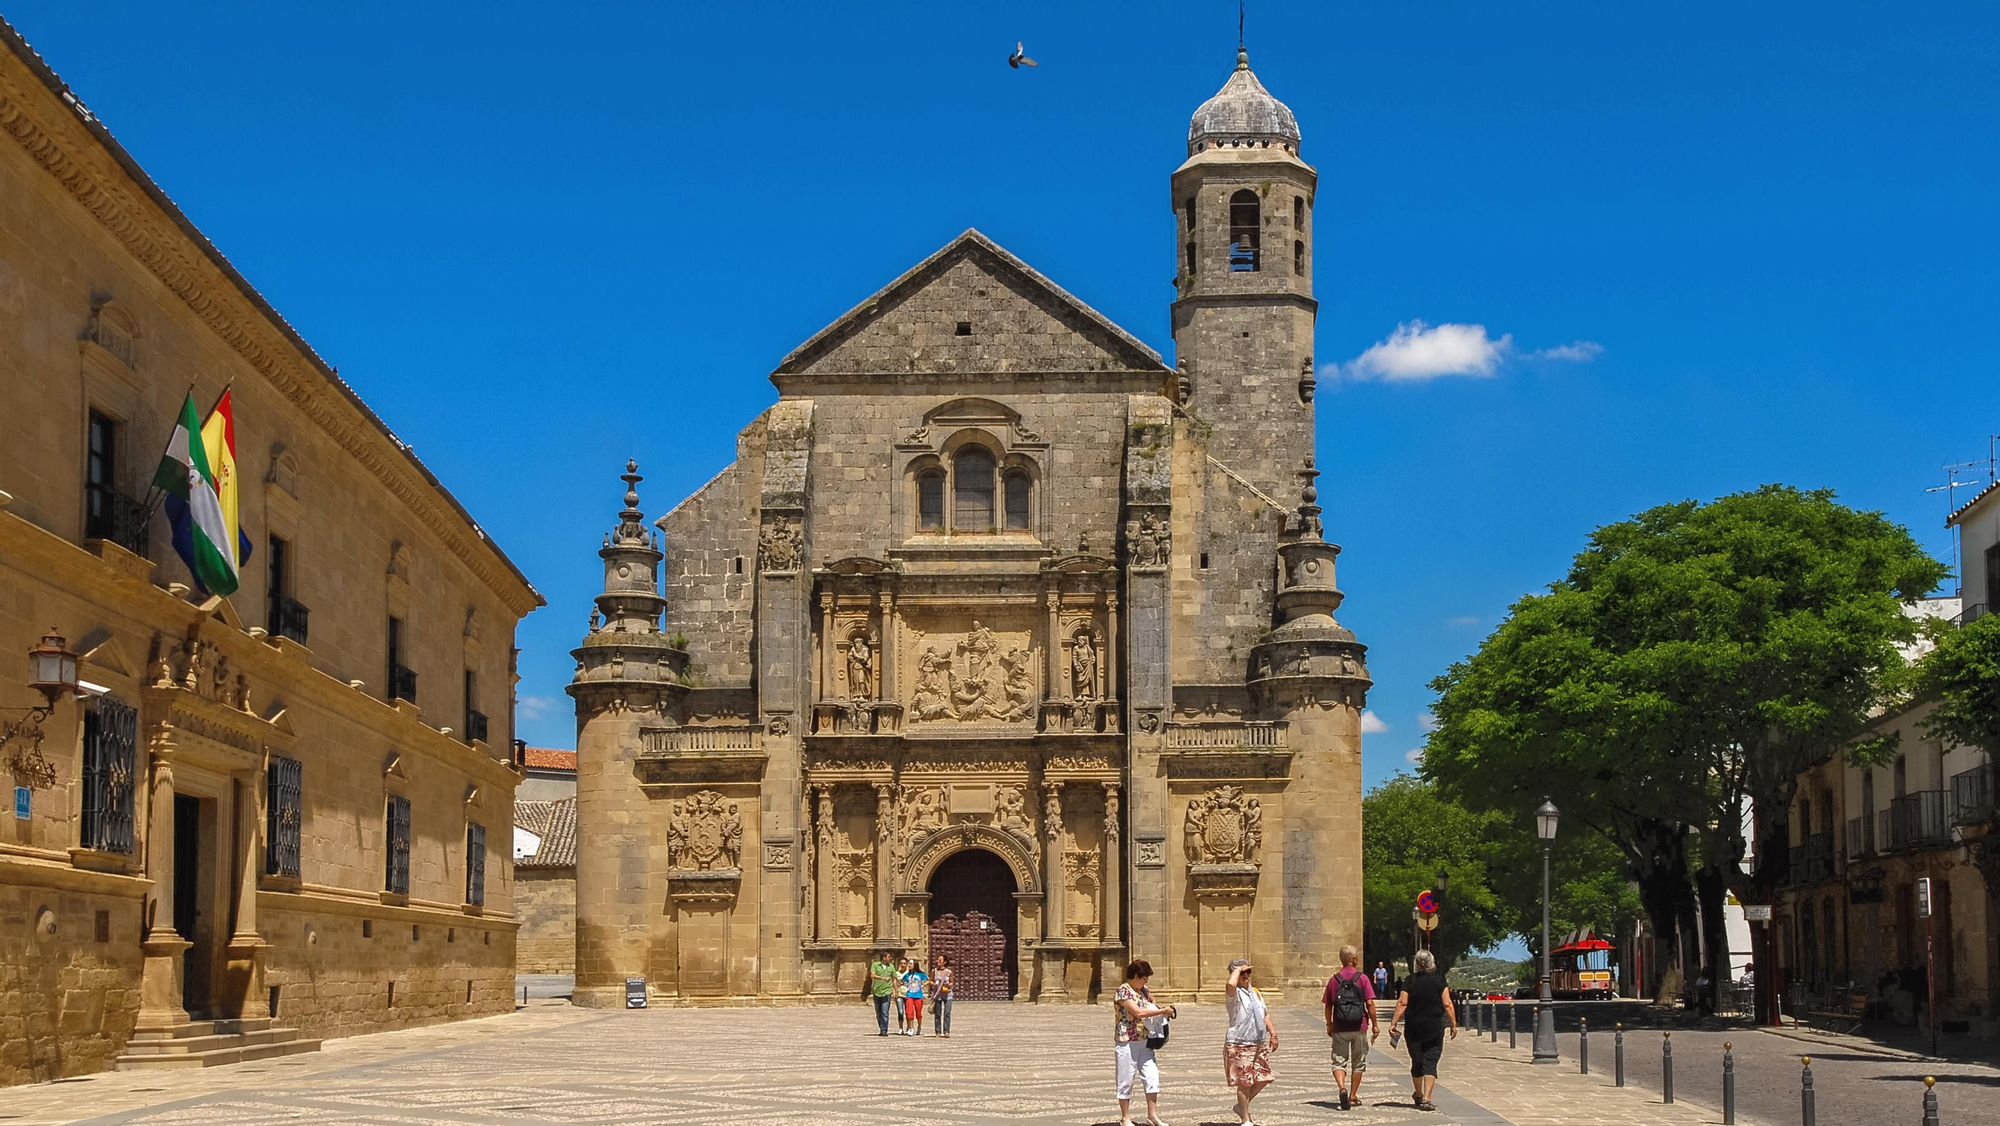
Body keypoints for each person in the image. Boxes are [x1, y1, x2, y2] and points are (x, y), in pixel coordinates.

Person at [1386, 949, 1456, 1111]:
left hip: (1414, 1028)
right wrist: (1453, 1023)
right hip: (1434, 1027)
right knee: (1431, 1061)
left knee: (1417, 1061)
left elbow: (1402, 1003)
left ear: (1416, 964)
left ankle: (1418, 1093)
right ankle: (1427, 1098)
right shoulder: (1439, 981)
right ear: (1432, 963)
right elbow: (1447, 1004)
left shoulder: (1410, 981)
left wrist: (1393, 1023)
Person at [1114, 958, 1178, 1126]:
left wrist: (1160, 1011)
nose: (1146, 981)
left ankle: (1152, 1115)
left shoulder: (1144, 991)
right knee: (1126, 1078)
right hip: (1127, 1040)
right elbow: (1138, 1013)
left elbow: (1151, 1005)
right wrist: (1162, 1010)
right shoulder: (1123, 991)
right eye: (1144, 978)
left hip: (1145, 1040)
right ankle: (1125, 1117)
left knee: (1152, 1077)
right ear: (1136, 976)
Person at [1324, 944, 1379, 1110]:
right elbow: (1369, 1003)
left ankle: (1342, 1088)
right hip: (1359, 1025)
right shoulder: (1362, 978)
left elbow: (1328, 1005)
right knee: (1358, 1062)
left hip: (1340, 1026)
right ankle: (1353, 1096)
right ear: (1354, 960)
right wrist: (1375, 1025)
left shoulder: (1334, 980)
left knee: (1339, 1062)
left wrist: (1329, 1024)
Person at [1223, 957, 1277, 1126]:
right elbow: (1230, 985)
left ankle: (1241, 1106)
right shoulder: (1234, 994)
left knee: (1264, 1077)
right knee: (1244, 1082)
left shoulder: (1256, 992)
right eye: (1243, 972)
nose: (1246, 975)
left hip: (1258, 1042)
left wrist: (1273, 1034)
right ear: (1235, 973)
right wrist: (1237, 970)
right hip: (1240, 1043)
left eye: (1249, 971)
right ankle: (1245, 1118)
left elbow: (1265, 1014)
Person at [868, 951, 898, 1037]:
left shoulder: (891, 967)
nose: (890, 958)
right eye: (889, 957)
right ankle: (881, 1027)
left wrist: (896, 990)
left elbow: (894, 979)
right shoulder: (875, 965)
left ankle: (884, 1030)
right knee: (878, 1012)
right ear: (884, 958)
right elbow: (872, 976)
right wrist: (883, 978)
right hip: (877, 991)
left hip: (887, 991)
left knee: (885, 1011)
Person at [900, 958, 928, 1035]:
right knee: (909, 1012)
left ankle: (919, 1026)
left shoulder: (920, 974)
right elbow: (902, 981)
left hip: (918, 995)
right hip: (909, 995)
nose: (909, 965)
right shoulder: (907, 975)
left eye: (910, 964)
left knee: (918, 1013)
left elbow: (928, 979)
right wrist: (904, 985)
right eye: (908, 963)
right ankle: (911, 1028)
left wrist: (923, 985)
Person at [931, 953, 954, 1038]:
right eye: (938, 960)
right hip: (938, 994)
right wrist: (934, 984)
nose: (938, 961)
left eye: (940, 960)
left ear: (944, 962)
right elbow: (930, 980)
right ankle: (938, 1031)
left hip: (948, 994)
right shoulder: (934, 971)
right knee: (938, 1013)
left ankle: (946, 1031)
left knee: (947, 1012)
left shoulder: (949, 972)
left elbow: (952, 982)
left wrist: (949, 985)